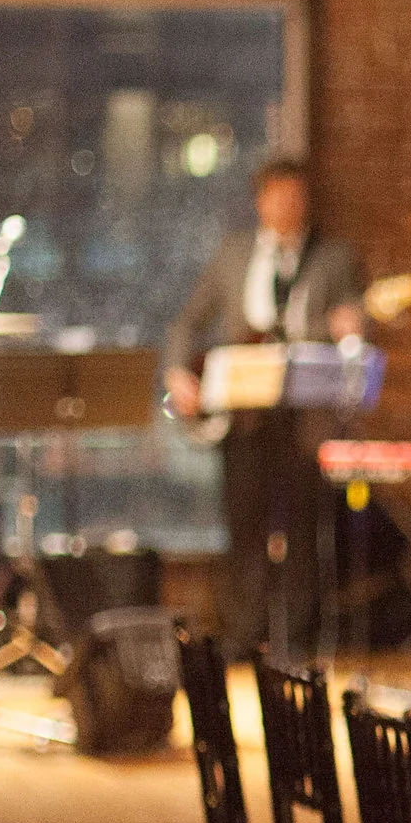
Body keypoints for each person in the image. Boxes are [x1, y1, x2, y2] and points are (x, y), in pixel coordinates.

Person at [165, 156, 364, 657]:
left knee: (301, 526)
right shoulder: (233, 254)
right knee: (244, 524)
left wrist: (353, 333)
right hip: (244, 415)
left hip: (303, 416)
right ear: (260, 201)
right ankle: (242, 634)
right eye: (277, 196)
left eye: (296, 197)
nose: (287, 206)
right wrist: (178, 373)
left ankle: (296, 640)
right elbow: (187, 322)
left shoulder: (333, 257)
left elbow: (354, 332)